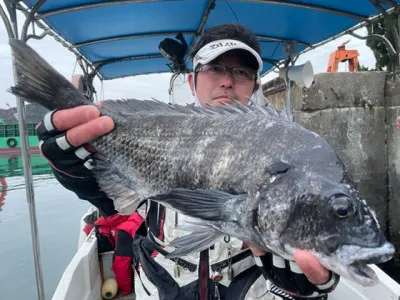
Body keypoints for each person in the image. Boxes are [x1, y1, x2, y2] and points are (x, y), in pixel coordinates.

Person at [36, 23, 339, 299]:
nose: (227, 81)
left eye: (242, 72)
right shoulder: (160, 135)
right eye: (215, 68)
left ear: (255, 87)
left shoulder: (288, 151)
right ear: (193, 83)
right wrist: (76, 173)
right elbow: (114, 201)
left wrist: (303, 290)